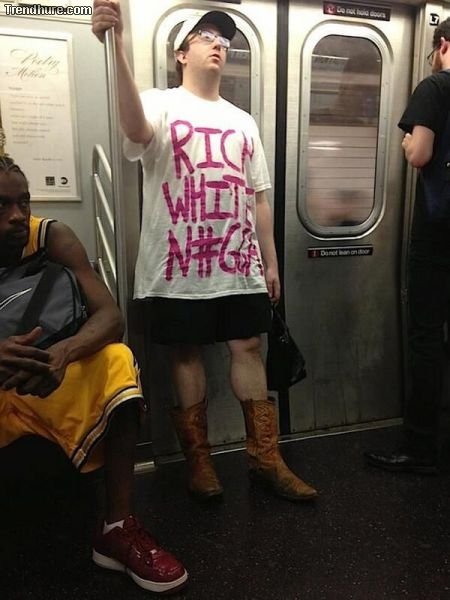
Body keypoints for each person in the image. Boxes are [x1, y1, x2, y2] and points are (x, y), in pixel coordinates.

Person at [92, 2, 317, 502]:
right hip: (177, 263)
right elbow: (135, 130)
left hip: (237, 261)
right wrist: (119, 48)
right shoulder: (159, 103)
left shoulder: (243, 121)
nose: (219, 44)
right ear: (181, 53)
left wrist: (270, 261)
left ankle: (265, 458)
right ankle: (199, 462)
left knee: (248, 347)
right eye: (207, 36)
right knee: (186, 352)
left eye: (224, 39)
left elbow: (258, 197)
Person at [0, 156, 188, 594]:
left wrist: (62, 353)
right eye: (1, 205)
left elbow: (109, 316)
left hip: (44, 378)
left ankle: (117, 528)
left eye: (23, 202)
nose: (17, 216)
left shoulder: (50, 237)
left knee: (116, 358)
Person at [365, 19, 450, 474]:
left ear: (442, 45)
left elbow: (420, 153)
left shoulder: (436, 86)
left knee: (426, 337)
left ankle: (420, 448)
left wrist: (405, 143)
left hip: (438, 235)